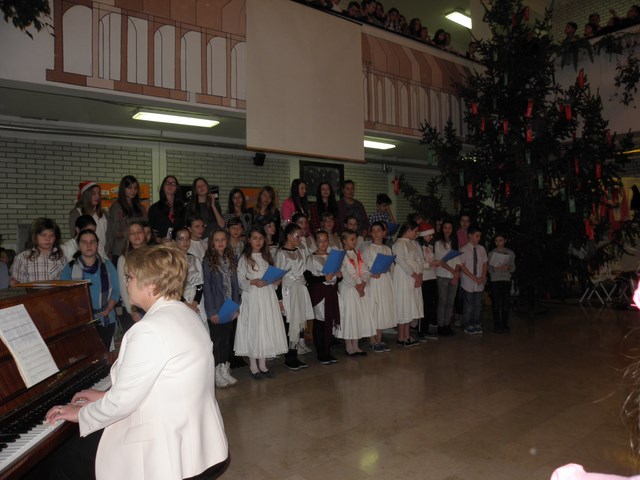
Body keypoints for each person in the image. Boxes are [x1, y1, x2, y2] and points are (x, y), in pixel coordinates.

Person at [46, 243, 229, 480]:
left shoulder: (148, 330)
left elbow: (122, 404)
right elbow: (162, 384)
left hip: (163, 443)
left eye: (130, 277)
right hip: (197, 438)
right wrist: (103, 396)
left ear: (151, 285)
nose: (126, 283)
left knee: (65, 460)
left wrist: (80, 413)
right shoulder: (187, 314)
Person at [235, 225, 288, 378]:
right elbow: (239, 280)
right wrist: (253, 282)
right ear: (249, 240)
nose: (258, 241)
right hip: (253, 297)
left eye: (260, 238)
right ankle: (253, 365)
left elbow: (271, 277)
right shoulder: (245, 259)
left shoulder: (267, 257)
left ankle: (263, 365)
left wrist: (276, 281)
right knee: (254, 327)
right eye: (254, 238)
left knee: (264, 327)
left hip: (267, 296)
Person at [61, 229, 120, 349]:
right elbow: (63, 294)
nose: (89, 245)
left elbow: (116, 290)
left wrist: (109, 307)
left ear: (97, 245)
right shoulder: (70, 268)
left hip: (105, 318)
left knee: (103, 354)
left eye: (92, 242)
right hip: (80, 321)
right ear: (78, 245)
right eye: (84, 242)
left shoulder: (107, 265)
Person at [203, 230, 241, 388]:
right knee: (216, 341)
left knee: (226, 340)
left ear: (227, 241)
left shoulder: (231, 259)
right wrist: (211, 311)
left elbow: (235, 285)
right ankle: (216, 371)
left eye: (223, 239)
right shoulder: (208, 261)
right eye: (217, 240)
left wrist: (236, 306)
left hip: (229, 306)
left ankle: (225, 369)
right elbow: (207, 287)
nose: (220, 243)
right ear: (212, 243)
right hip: (216, 307)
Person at [276, 223, 315, 367]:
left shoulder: (301, 251)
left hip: (300, 289)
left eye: (301, 236)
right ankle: (289, 357)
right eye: (298, 236)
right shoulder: (281, 254)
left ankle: (294, 354)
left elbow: (305, 271)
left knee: (299, 323)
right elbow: (277, 278)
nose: (300, 239)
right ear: (289, 237)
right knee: (290, 322)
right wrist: (279, 299)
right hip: (289, 291)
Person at [305, 230, 341, 364]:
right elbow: (309, 278)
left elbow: (336, 278)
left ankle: (327, 351)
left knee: (329, 321)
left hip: (331, 291)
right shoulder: (311, 258)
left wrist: (339, 276)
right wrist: (323, 278)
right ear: (316, 242)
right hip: (319, 293)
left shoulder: (332, 257)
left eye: (325, 240)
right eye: (320, 241)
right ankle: (321, 353)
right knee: (320, 322)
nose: (323, 243)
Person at [337, 229, 374, 355]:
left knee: (358, 316)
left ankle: (356, 345)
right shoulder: (341, 255)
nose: (354, 242)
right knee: (349, 316)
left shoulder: (357, 253)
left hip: (360, 288)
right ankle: (349, 346)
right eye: (351, 239)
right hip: (349, 289)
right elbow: (344, 273)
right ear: (344, 240)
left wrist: (363, 283)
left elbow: (365, 270)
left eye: (355, 239)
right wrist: (357, 286)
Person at [362, 221, 395, 352]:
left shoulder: (387, 249)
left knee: (382, 310)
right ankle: (372, 340)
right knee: (373, 309)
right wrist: (371, 273)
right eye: (373, 230)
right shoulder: (367, 249)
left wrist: (388, 270)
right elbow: (364, 268)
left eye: (379, 230)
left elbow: (391, 267)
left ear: (384, 233)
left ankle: (379, 339)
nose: (376, 233)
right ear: (370, 233)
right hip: (373, 283)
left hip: (384, 282)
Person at [392, 221, 424, 347]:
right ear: (408, 230)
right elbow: (401, 261)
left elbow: (420, 260)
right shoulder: (398, 244)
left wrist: (420, 275)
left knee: (411, 305)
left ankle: (408, 335)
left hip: (414, 278)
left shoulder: (414, 243)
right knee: (404, 305)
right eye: (415, 231)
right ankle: (401, 337)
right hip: (404, 277)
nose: (417, 234)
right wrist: (415, 275)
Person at [11, 217, 66, 284]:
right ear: (34, 236)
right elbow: (15, 284)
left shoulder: (60, 256)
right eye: (43, 235)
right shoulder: (22, 258)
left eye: (52, 236)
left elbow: (65, 280)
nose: (48, 239)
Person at [106, 175, 147, 263]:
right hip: (120, 250)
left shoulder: (141, 208)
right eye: (130, 188)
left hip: (139, 250)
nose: (133, 191)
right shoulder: (116, 207)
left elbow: (146, 228)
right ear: (123, 189)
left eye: (135, 188)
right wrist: (131, 233)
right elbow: (114, 232)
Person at [117, 221, 147, 331]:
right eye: (132, 233)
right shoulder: (123, 259)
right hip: (135, 306)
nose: (136, 235)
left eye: (139, 232)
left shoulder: (153, 254)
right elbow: (123, 286)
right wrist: (132, 310)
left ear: (145, 234)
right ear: (128, 237)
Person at [459, 225, 488, 335]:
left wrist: (483, 277)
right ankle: (467, 324)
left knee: (478, 305)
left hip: (480, 281)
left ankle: (476, 322)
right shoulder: (463, 249)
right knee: (469, 305)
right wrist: (474, 278)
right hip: (468, 282)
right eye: (477, 236)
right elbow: (462, 266)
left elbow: (485, 264)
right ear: (470, 236)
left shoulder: (482, 249)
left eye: (480, 236)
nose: (478, 238)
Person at [69, 181, 109, 259]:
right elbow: (75, 236)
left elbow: (109, 235)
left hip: (103, 254)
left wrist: (107, 250)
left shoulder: (104, 214)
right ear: (86, 195)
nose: (97, 196)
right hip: (84, 255)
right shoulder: (77, 213)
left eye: (99, 194)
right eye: (94, 193)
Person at [175, 228, 206, 325]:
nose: (185, 242)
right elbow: (172, 287)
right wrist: (187, 305)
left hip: (195, 301)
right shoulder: (171, 261)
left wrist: (195, 303)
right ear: (175, 241)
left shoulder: (195, 259)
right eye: (181, 239)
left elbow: (200, 284)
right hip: (179, 301)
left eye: (187, 239)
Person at [434, 218, 460, 335]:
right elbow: (440, 261)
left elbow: (458, 260)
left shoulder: (455, 242)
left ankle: (447, 324)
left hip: (454, 275)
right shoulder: (438, 243)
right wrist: (453, 271)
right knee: (443, 301)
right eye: (445, 228)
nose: (447, 230)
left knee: (450, 302)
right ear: (442, 229)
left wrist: (456, 273)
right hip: (442, 275)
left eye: (449, 228)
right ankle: (440, 326)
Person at [488, 233, 515, 333]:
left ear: (504, 241)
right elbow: (488, 268)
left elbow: (513, 267)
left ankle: (504, 323)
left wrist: (508, 267)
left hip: (506, 280)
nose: (498, 243)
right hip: (495, 280)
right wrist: (493, 269)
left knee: (505, 303)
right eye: (496, 241)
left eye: (501, 240)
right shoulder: (491, 253)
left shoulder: (510, 253)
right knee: (496, 303)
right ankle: (497, 324)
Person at [418, 222, 441, 339]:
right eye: (429, 235)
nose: (431, 237)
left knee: (432, 304)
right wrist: (432, 263)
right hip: (424, 279)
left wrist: (436, 263)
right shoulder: (418, 247)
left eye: (432, 235)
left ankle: (426, 329)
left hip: (432, 277)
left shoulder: (430, 247)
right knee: (425, 306)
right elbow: (420, 264)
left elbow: (431, 262)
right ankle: (422, 331)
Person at [148, 175, 185, 242]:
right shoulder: (154, 208)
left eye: (173, 183)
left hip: (178, 246)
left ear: (176, 188)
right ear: (163, 187)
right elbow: (149, 232)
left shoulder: (182, 209)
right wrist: (160, 240)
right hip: (159, 246)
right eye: (167, 183)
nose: (170, 185)